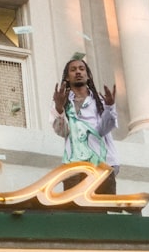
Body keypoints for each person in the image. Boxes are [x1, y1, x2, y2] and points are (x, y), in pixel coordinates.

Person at [51, 58, 119, 194]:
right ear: (67, 77)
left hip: (101, 164)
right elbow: (62, 132)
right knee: (74, 209)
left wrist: (110, 107)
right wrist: (59, 108)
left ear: (88, 75)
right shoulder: (62, 101)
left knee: (103, 209)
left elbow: (103, 130)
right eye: (73, 69)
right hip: (73, 166)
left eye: (82, 69)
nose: (78, 72)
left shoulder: (99, 101)